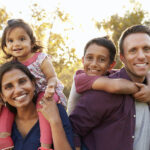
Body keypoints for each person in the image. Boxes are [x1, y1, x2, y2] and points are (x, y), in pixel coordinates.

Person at [69, 24, 150, 150]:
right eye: (133, 50)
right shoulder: (103, 91)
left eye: (146, 49)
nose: (141, 56)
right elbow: (72, 129)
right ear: (122, 57)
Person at [0, 19, 67, 150]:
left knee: (42, 108)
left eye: (22, 39)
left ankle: (45, 145)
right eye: (11, 41)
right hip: (28, 97)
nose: (16, 44)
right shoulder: (12, 65)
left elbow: (52, 77)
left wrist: (51, 88)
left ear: (31, 41)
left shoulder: (40, 58)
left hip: (45, 92)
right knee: (6, 108)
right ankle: (3, 139)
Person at [0, 61, 75, 150]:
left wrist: (54, 121)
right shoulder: (2, 123)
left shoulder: (55, 110)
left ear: (33, 83)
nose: (18, 90)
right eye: (9, 86)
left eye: (22, 81)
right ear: (2, 96)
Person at [68, 36, 145, 115]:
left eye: (102, 60)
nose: (94, 64)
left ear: (111, 65)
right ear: (83, 60)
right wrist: (142, 89)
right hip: (73, 125)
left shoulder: (110, 74)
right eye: (90, 58)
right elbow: (116, 86)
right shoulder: (81, 77)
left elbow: (138, 73)